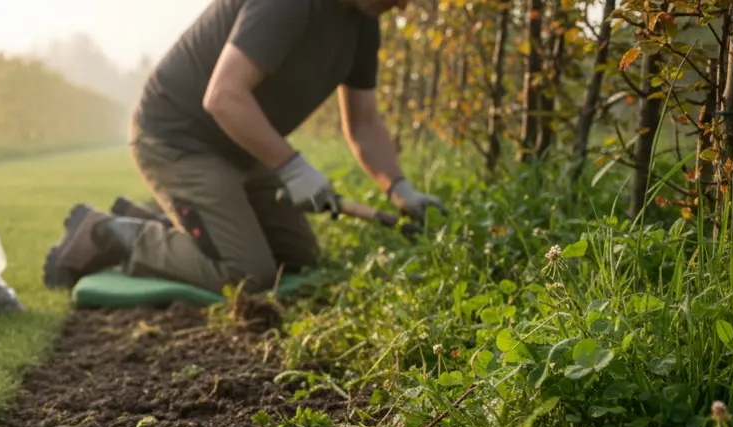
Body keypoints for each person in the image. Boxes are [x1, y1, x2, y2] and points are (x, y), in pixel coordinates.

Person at [42, 0, 447, 295]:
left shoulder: (362, 23)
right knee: (247, 273)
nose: (403, 5)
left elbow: (363, 123)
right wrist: (292, 167)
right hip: (177, 137)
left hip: (241, 146)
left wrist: (399, 188)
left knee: (298, 257)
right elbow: (223, 96)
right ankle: (109, 233)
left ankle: (174, 222)